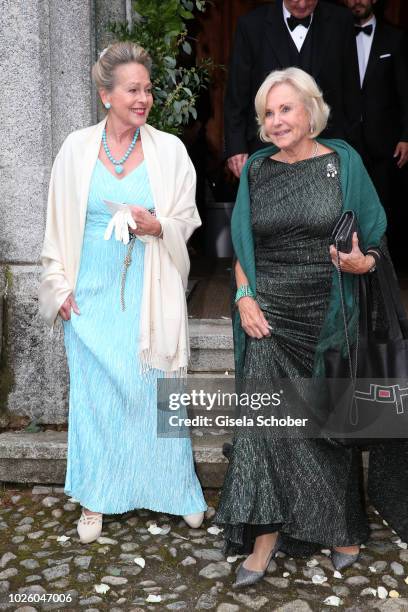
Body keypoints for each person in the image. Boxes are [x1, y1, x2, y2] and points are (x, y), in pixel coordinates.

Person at [214, 67, 408, 588]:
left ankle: (340, 527)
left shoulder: (344, 162)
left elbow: (374, 240)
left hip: (328, 310)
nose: (276, 121)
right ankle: (264, 538)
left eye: (285, 109)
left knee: (325, 420)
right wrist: (244, 295)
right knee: (266, 422)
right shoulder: (256, 169)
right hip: (267, 314)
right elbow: (242, 247)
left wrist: (361, 265)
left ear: (311, 109)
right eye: (268, 113)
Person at [38, 42, 207, 544]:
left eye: (148, 89)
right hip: (89, 294)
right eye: (132, 90)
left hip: (148, 292)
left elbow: (187, 219)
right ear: (105, 95)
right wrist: (58, 287)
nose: (144, 99)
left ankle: (177, 490)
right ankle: (95, 496)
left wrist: (158, 226)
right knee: (95, 398)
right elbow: (54, 224)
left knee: (156, 390)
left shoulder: (169, 151)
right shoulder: (74, 149)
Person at [224, 0, 361, 178]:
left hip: (328, 149)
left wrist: (349, 149)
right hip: (268, 150)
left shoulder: (341, 22)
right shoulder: (251, 26)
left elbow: (351, 91)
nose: (302, 4)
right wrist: (236, 147)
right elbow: (237, 93)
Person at [344, 0, 408, 263]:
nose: (356, 1)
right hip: (346, 138)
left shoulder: (395, 38)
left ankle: (381, 267)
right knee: (347, 207)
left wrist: (406, 135)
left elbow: (405, 91)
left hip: (384, 142)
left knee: (384, 207)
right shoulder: (336, 34)